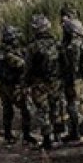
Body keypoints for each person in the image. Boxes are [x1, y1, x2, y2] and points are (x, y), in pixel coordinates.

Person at [0, 25, 32, 144]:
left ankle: (8, 135)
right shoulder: (10, 54)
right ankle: (26, 136)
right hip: (14, 86)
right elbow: (23, 66)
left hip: (3, 86)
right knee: (26, 110)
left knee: (7, 111)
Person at [59, 6, 83, 142]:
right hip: (82, 74)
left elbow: (69, 58)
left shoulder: (69, 29)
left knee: (72, 102)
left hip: (73, 75)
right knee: (82, 99)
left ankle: (75, 131)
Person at [24, 13, 61, 150]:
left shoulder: (33, 47)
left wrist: (25, 84)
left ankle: (46, 140)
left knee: (42, 110)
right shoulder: (56, 43)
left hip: (39, 83)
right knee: (55, 108)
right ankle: (58, 136)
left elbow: (28, 68)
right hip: (55, 82)